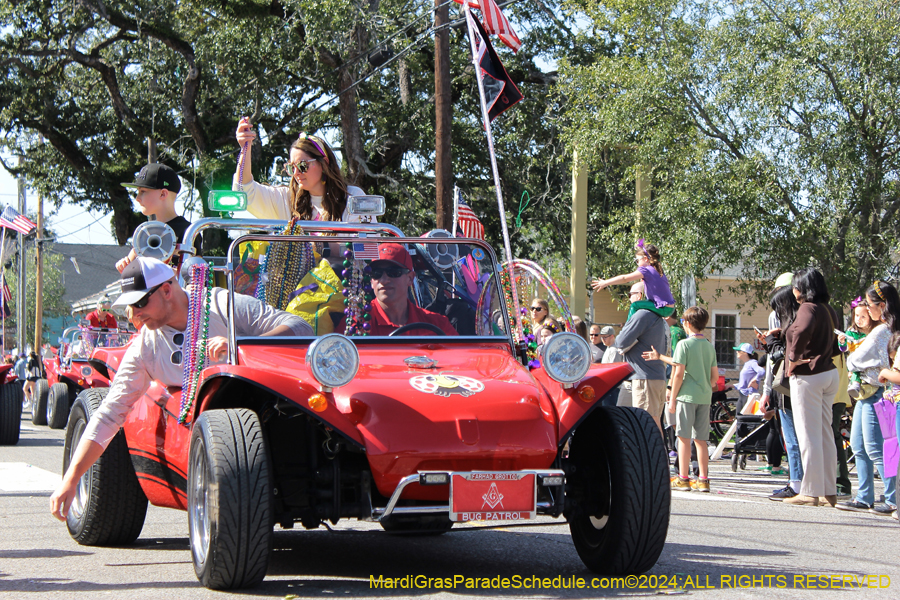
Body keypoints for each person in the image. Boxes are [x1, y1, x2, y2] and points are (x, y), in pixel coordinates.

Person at [50, 257, 312, 521]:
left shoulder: (220, 304)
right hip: (204, 440)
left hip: (266, 424)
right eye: (130, 305)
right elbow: (109, 414)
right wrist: (71, 479)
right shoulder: (144, 347)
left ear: (166, 290)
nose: (135, 313)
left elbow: (301, 328)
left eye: (141, 302)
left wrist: (240, 345)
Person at [233, 119, 368, 226]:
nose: (296, 173)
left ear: (324, 163)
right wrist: (245, 148)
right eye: (291, 168)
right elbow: (245, 192)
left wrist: (317, 246)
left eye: (303, 166)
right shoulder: (287, 200)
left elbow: (363, 247)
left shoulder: (353, 198)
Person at [838, 280, 899, 515]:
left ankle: (893, 498)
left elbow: (856, 359)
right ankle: (865, 496)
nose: (868, 310)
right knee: (859, 445)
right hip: (868, 392)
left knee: (878, 448)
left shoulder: (883, 330)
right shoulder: (883, 329)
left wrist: (854, 356)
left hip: (880, 394)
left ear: (882, 306)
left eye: (871, 305)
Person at [782, 267, 840, 507]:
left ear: (802, 288)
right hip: (829, 372)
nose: (794, 290)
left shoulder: (807, 308)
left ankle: (810, 491)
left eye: (796, 286)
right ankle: (829, 490)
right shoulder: (829, 310)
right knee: (825, 433)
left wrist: (792, 358)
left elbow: (803, 330)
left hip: (808, 375)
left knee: (808, 435)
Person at [644, 306, 718, 492]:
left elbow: (678, 372)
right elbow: (714, 378)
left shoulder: (684, 344)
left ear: (687, 323)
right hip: (704, 395)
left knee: (683, 437)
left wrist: (673, 398)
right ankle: (703, 479)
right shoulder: (709, 346)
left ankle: (683, 477)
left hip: (686, 396)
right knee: (701, 440)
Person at [337, 244, 457, 337]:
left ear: (410, 278)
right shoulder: (355, 325)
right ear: (371, 281)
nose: (384, 280)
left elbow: (460, 361)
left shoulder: (437, 324)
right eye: (376, 273)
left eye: (393, 272)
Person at [759, 277, 803, 500]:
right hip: (806, 385)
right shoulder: (806, 321)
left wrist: (770, 343)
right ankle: (803, 481)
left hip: (788, 386)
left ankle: (796, 482)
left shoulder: (790, 329)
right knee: (804, 436)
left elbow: (778, 359)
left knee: (792, 437)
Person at [116, 163, 197, 273]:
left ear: (163, 194)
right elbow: (130, 274)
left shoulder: (189, 231)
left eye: (142, 192)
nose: (137, 198)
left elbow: (196, 278)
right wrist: (124, 266)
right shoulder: (144, 232)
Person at [611, 281, 668, 433]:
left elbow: (620, 342)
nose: (629, 298)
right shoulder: (657, 316)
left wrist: (628, 341)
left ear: (640, 295)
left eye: (631, 294)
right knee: (630, 420)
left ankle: (655, 457)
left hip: (645, 378)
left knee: (648, 424)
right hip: (649, 377)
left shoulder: (642, 314)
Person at [591, 239, 676, 321]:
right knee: (644, 303)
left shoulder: (645, 270)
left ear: (646, 259)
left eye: (637, 260)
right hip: (669, 308)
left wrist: (606, 282)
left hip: (663, 308)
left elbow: (625, 278)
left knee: (635, 305)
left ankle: (628, 327)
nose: (637, 263)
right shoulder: (657, 270)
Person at [840, 297, 879, 399]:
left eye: (863, 317)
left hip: (871, 365)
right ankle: (855, 384)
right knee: (855, 364)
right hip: (856, 363)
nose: (859, 319)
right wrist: (842, 342)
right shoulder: (851, 332)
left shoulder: (874, 331)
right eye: (857, 316)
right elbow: (845, 348)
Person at [730, 343, 766, 413]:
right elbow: (744, 384)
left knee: (745, 419)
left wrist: (754, 380)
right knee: (739, 418)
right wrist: (732, 386)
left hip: (749, 396)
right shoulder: (747, 364)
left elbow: (762, 371)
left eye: (739, 350)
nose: (737, 352)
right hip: (743, 395)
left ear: (745, 353)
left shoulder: (753, 362)